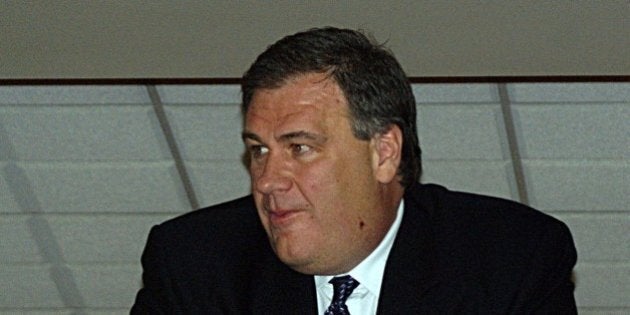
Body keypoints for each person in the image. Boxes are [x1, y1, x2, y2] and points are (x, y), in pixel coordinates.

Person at [132, 27, 577, 314]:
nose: (266, 180)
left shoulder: (511, 262)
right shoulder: (193, 266)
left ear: (383, 153)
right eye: (259, 150)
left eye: (300, 148)